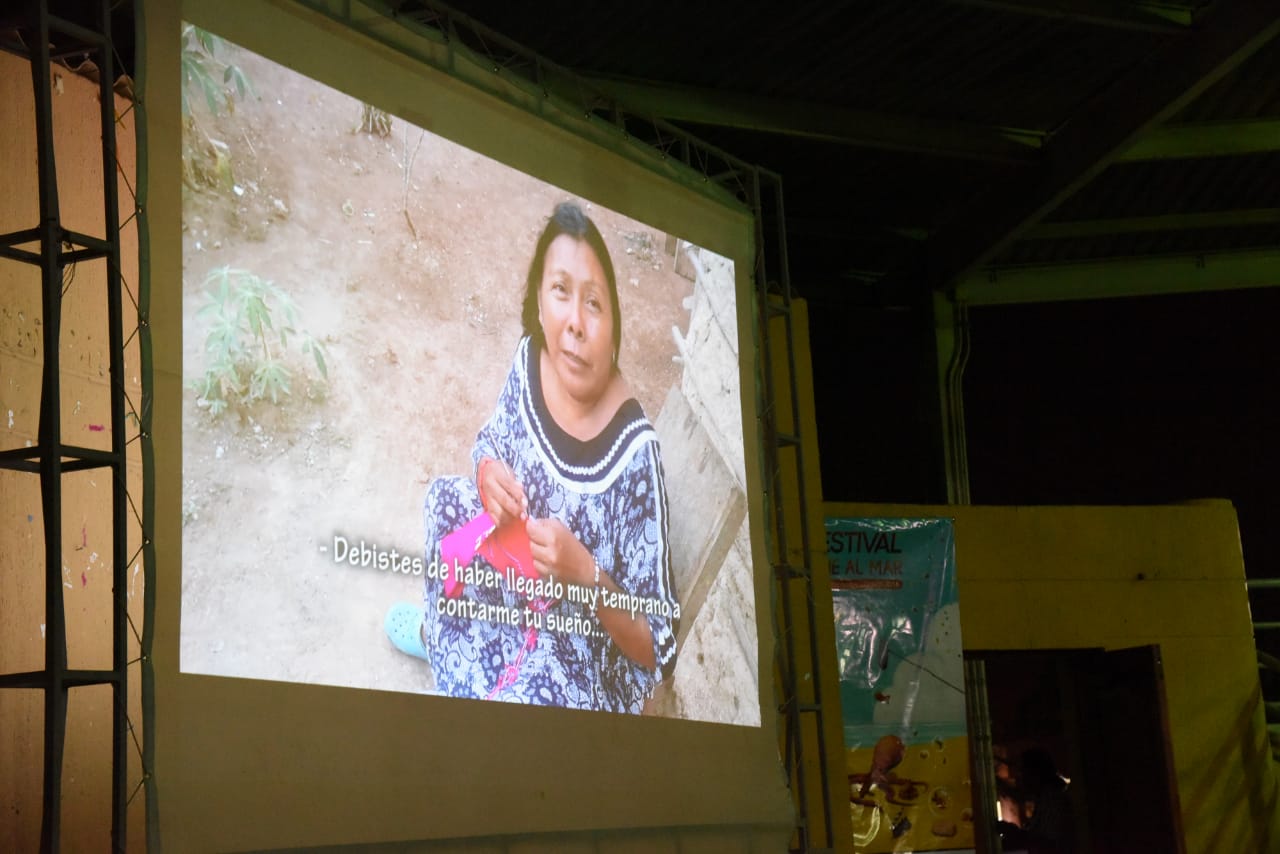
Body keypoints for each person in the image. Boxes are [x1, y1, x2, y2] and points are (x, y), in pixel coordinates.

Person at [385, 201, 680, 713]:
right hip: (511, 580)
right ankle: (444, 647)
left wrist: (585, 573)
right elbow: (491, 442)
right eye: (561, 292)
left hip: (576, 645)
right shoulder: (528, 361)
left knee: (526, 697)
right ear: (540, 304)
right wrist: (487, 473)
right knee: (444, 504)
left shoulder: (637, 456)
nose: (575, 323)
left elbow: (656, 644)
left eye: (594, 303)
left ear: (613, 325)